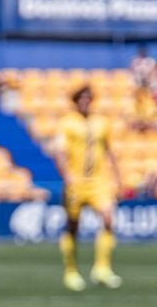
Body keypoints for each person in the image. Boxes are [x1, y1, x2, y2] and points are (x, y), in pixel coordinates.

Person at [54, 84, 125, 291]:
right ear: (75, 101)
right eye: (81, 98)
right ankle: (71, 271)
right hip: (76, 181)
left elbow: (109, 150)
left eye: (88, 97)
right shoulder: (67, 123)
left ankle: (102, 269)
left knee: (108, 218)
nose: (85, 101)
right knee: (73, 226)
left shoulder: (101, 122)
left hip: (99, 181)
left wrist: (118, 176)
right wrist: (67, 176)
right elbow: (59, 152)